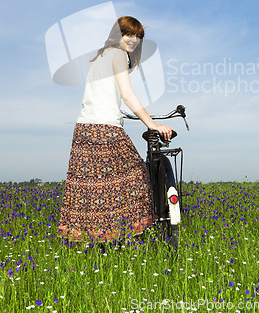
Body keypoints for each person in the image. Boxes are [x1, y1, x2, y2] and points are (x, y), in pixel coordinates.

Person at [57, 16, 173, 242]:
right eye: (128, 34)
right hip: (104, 129)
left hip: (83, 129)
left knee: (91, 189)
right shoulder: (119, 55)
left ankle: (95, 243)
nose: (134, 40)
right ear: (116, 35)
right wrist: (152, 124)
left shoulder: (101, 56)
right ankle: (130, 236)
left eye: (138, 36)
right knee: (138, 177)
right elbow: (128, 95)